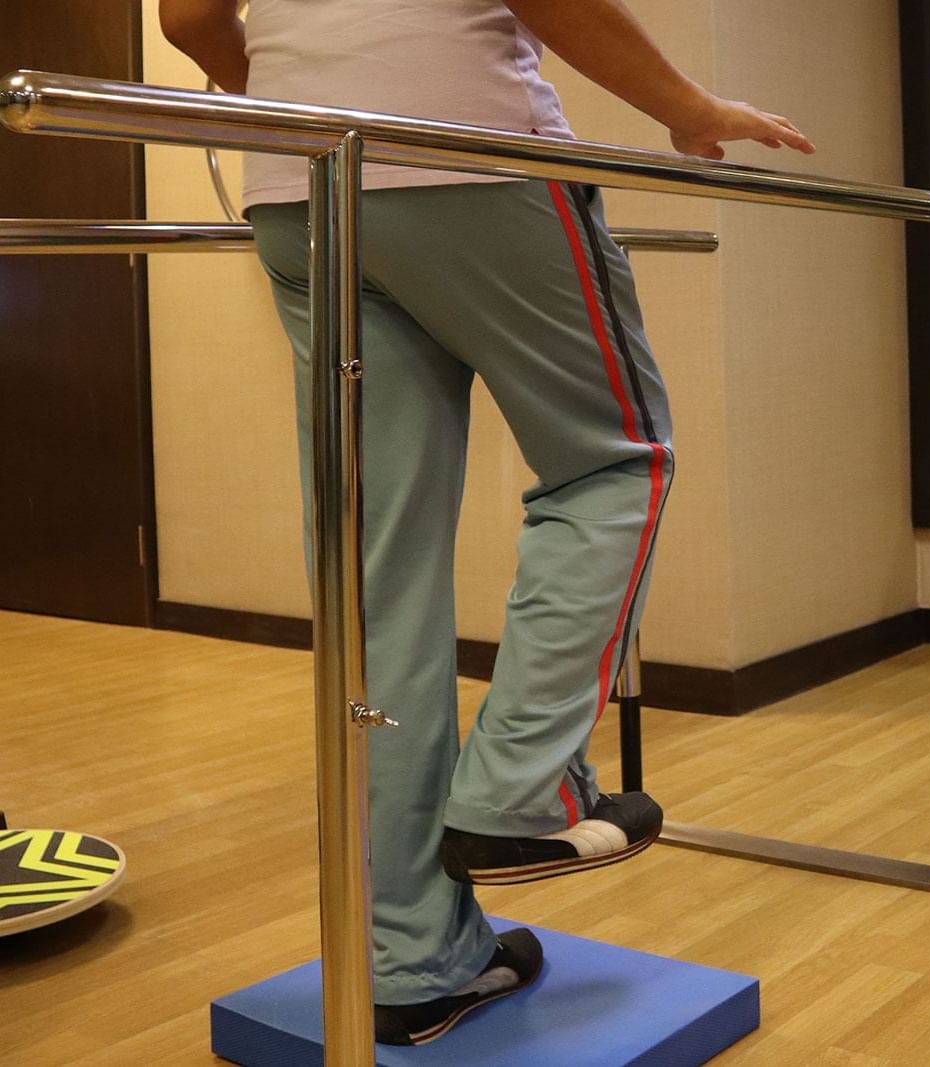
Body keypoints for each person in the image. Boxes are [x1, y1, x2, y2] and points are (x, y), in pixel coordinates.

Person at [159, 0, 814, 1046]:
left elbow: (187, 12)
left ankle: (417, 961)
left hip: (298, 185)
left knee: (378, 562)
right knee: (614, 461)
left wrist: (295, 96)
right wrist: (689, 106)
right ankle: (523, 791)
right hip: (465, 159)